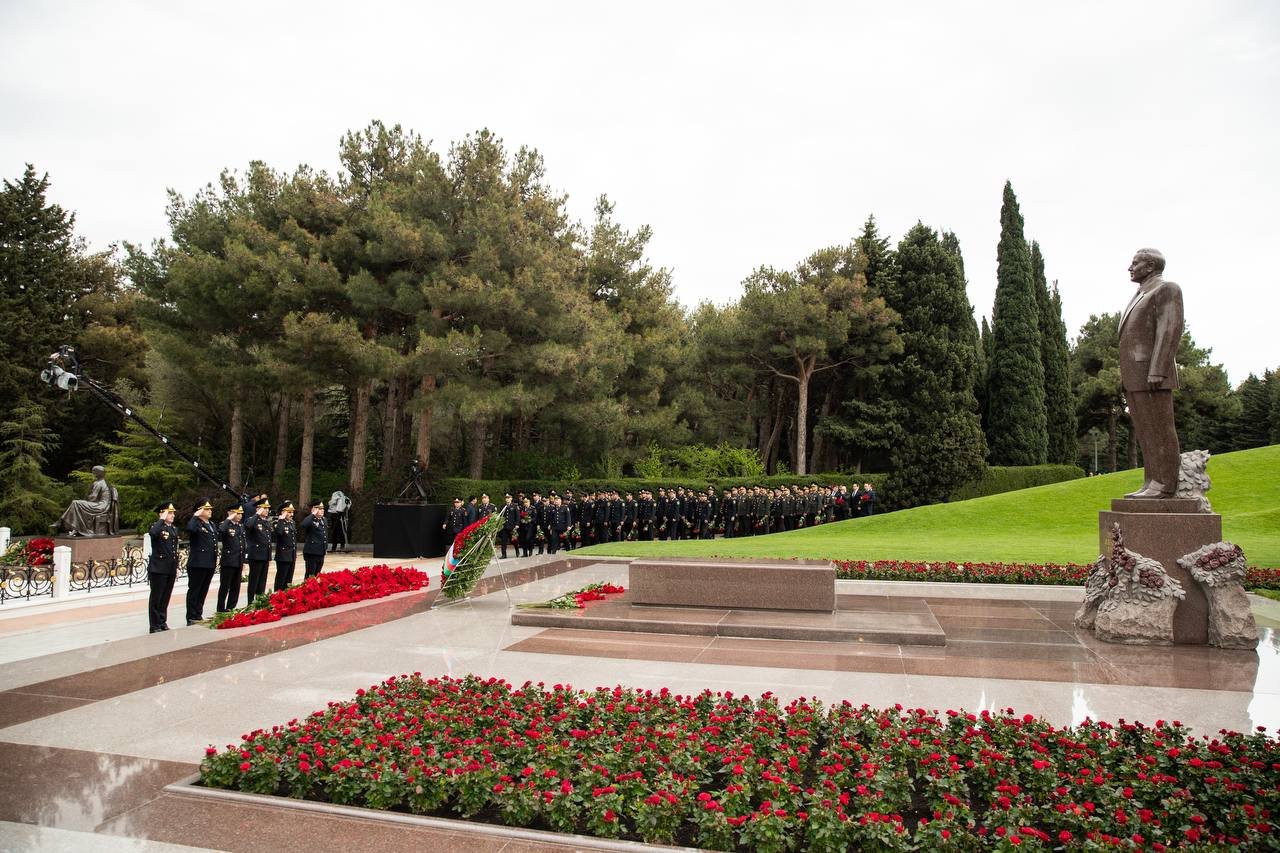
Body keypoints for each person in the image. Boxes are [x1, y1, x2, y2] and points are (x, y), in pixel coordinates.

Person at [1119, 248, 1184, 499]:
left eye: (1135, 263)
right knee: (1146, 431)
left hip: (1152, 374)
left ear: (1150, 266)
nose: (1130, 268)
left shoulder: (1167, 289)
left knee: (1160, 429)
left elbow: (1169, 330)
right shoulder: (1140, 293)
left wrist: (1158, 369)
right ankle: (1152, 481)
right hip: (1135, 375)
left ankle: (1166, 484)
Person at [54, 465, 119, 536]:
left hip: (100, 506)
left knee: (76, 503)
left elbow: (93, 498)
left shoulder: (98, 483)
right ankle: (74, 527)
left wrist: (86, 499)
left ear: (98, 473)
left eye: (94, 472)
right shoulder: (104, 482)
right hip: (103, 506)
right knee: (77, 504)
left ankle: (64, 523)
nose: (93, 473)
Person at [145, 502, 179, 633]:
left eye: (173, 513)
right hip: (158, 568)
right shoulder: (156, 526)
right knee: (156, 597)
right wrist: (161, 519)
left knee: (165, 597)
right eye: (169, 513)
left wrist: (176, 567)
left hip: (169, 568)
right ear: (162, 513)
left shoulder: (173, 529)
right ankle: (154, 625)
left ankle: (162, 621)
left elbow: (173, 550)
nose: (172, 515)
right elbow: (153, 533)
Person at [184, 499, 218, 625]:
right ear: (200, 510)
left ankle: (198, 614)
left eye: (210, 509)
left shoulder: (211, 524)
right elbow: (190, 529)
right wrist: (195, 516)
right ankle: (191, 616)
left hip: (209, 562)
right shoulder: (196, 523)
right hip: (197, 563)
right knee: (195, 590)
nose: (210, 511)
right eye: (207, 509)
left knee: (203, 590)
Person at [216, 504, 246, 612]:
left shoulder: (240, 526)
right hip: (228, 560)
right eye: (237, 513)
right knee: (225, 586)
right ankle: (220, 608)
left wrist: (243, 559)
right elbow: (221, 531)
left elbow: (242, 543)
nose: (240, 516)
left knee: (236, 586)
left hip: (238, 560)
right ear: (230, 513)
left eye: (240, 514)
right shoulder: (225, 525)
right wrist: (228, 519)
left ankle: (231, 607)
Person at [244, 497, 273, 599]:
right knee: (254, 580)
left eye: (267, 508)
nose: (267, 510)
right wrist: (256, 514)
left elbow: (268, 540)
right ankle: (251, 601)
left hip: (265, 555)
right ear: (258, 509)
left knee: (262, 580)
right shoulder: (252, 520)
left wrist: (269, 557)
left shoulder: (266, 522)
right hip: (256, 555)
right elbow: (248, 526)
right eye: (264, 508)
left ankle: (260, 599)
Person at [299, 500, 328, 579]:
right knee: (310, 575)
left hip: (321, 552)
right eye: (320, 508)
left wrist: (325, 548)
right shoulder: (310, 519)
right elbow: (303, 525)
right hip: (312, 552)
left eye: (323, 508)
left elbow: (324, 535)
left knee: (317, 574)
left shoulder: (323, 520)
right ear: (314, 509)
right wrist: (312, 514)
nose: (322, 510)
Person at [273, 501, 298, 590]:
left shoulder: (292, 523)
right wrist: (281, 519)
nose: (292, 514)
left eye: (292, 512)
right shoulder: (278, 522)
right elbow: (278, 533)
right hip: (283, 555)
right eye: (289, 512)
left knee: (288, 580)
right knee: (281, 578)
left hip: (291, 555)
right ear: (283, 512)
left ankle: (286, 597)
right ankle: (277, 595)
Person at [498, 494, 517, 558]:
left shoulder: (514, 506)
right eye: (506, 498)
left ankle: (517, 550)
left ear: (511, 498)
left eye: (508, 498)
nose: (507, 499)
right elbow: (500, 515)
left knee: (513, 540)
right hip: (504, 527)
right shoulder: (503, 506)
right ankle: (504, 554)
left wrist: (517, 524)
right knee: (503, 541)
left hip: (511, 526)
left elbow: (517, 516)